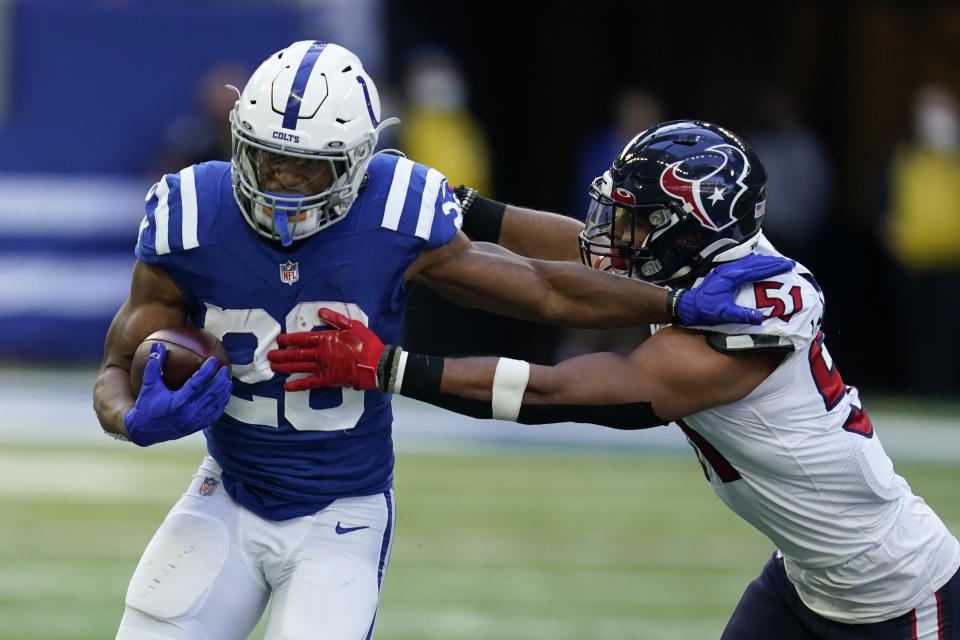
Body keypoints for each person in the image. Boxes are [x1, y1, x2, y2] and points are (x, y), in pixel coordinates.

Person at [92, 43, 791, 640]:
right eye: (269, 160)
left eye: (307, 168)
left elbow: (545, 288)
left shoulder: (393, 209)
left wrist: (673, 301)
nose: (281, 186)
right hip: (226, 490)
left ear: (359, 160)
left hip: (341, 513)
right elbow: (115, 367)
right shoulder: (191, 212)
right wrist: (133, 416)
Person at [280, 120, 960, 638]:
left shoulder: (752, 315)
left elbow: (561, 391)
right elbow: (571, 252)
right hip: (807, 576)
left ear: (690, 234)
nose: (616, 234)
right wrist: (452, 206)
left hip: (893, 588)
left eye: (638, 221)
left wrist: (390, 368)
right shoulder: (704, 267)